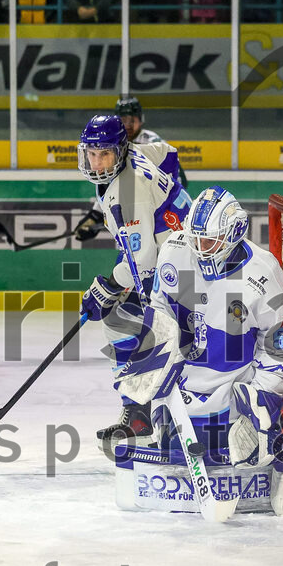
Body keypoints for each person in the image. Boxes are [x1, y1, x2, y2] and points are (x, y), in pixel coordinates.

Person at [112, 186, 283, 514]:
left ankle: (269, 438)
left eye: (209, 241)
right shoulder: (175, 252)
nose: (200, 248)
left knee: (242, 449)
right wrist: (158, 349)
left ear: (234, 233)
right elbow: (160, 305)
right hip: (182, 390)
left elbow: (279, 343)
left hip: (234, 391)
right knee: (175, 450)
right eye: (195, 238)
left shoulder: (263, 273)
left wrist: (261, 396)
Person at [77, 114, 192, 451]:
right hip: (176, 252)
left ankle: (148, 415)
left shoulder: (128, 192)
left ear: (120, 150)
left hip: (176, 267)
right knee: (155, 332)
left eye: (105, 155)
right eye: (92, 154)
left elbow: (141, 262)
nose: (97, 162)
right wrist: (169, 199)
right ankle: (152, 413)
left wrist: (105, 288)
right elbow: (168, 153)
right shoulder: (137, 154)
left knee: (123, 323)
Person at [114, 95, 188, 190]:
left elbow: (180, 179)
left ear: (141, 120)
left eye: (132, 120)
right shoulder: (113, 143)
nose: (128, 125)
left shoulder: (153, 142)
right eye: (123, 120)